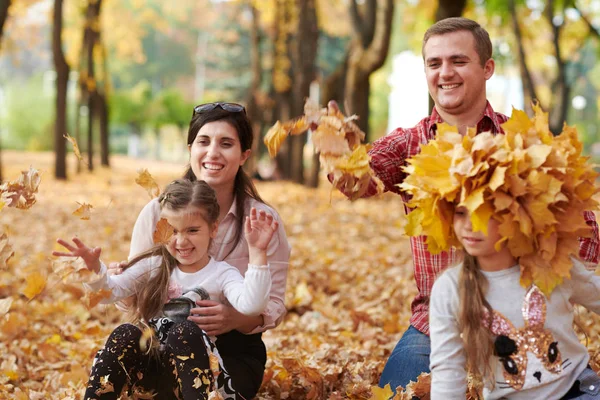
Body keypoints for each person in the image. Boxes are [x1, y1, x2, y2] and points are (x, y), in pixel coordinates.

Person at [331, 17, 600, 391]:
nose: (445, 73)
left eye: (458, 61)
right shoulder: (410, 145)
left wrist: (540, 267)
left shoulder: (524, 143)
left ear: (487, 68)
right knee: (396, 394)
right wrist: (340, 158)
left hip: (524, 317)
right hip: (440, 319)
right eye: (434, 63)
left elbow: (584, 231)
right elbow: (359, 181)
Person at [394, 123, 600, 399]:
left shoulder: (550, 264)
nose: (469, 226)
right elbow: (448, 372)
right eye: (460, 213)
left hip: (578, 391)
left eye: (484, 213)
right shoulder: (450, 288)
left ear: (516, 213)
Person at [110, 102, 291, 399]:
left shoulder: (262, 221)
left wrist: (234, 318)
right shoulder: (157, 213)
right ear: (191, 149)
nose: (213, 153)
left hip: (234, 352)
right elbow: (133, 300)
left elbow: (274, 305)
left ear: (244, 155)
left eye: (227, 143)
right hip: (161, 344)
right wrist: (121, 283)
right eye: (203, 142)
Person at [53, 179, 279, 399]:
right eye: (172, 231)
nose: (181, 241)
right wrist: (94, 270)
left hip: (199, 378)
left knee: (185, 331)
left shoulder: (222, 273)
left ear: (213, 228)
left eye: (192, 230)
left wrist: (258, 252)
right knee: (125, 333)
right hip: (152, 375)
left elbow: (252, 305)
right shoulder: (154, 265)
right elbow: (111, 291)